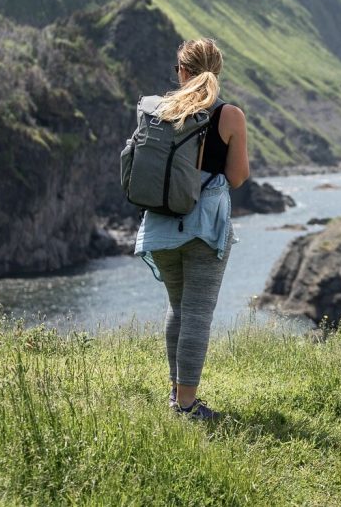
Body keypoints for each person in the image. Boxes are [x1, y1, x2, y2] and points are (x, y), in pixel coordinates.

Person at [132, 38, 250, 421]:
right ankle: (186, 405)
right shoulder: (229, 115)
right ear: (216, 71)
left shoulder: (158, 110)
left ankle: (176, 396)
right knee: (197, 313)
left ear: (182, 70)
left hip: (159, 222)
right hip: (202, 225)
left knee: (177, 308)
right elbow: (237, 176)